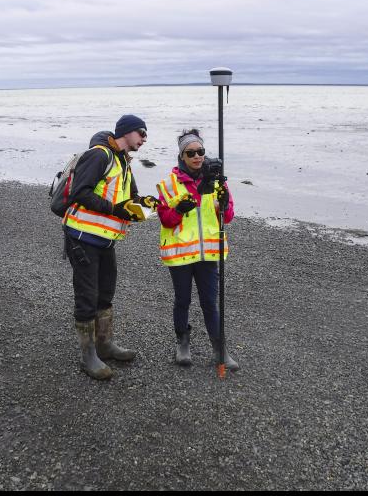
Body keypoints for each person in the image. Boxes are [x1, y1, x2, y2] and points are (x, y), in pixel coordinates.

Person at [62, 114, 158, 380]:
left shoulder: (123, 161)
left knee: (105, 293)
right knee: (87, 296)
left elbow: (129, 199)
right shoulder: (100, 156)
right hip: (83, 237)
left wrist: (147, 204)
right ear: (125, 132)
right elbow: (80, 192)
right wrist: (115, 209)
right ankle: (88, 356)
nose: (145, 139)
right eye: (141, 133)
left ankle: (104, 344)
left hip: (106, 240)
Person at [156, 128, 239, 370]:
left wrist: (222, 204)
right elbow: (166, 220)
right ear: (181, 156)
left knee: (210, 302)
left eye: (200, 151)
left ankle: (219, 348)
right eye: (190, 152)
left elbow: (229, 216)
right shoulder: (169, 185)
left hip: (208, 253)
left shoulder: (216, 181)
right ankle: (182, 343)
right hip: (180, 254)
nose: (197, 156)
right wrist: (179, 209)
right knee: (182, 300)